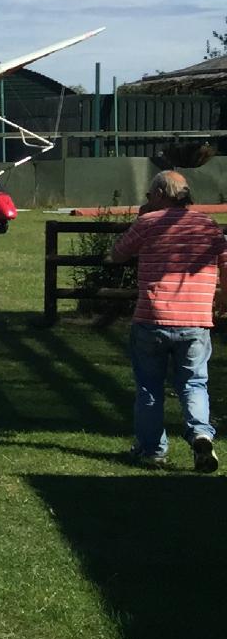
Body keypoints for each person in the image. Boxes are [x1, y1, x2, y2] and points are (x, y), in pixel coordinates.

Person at [111, 170, 227, 469]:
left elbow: (119, 253)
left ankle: (152, 450)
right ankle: (200, 434)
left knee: (149, 387)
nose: (147, 200)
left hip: (152, 317)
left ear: (161, 194)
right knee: (194, 383)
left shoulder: (149, 223)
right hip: (195, 319)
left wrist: (141, 218)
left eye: (150, 195)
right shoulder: (207, 226)